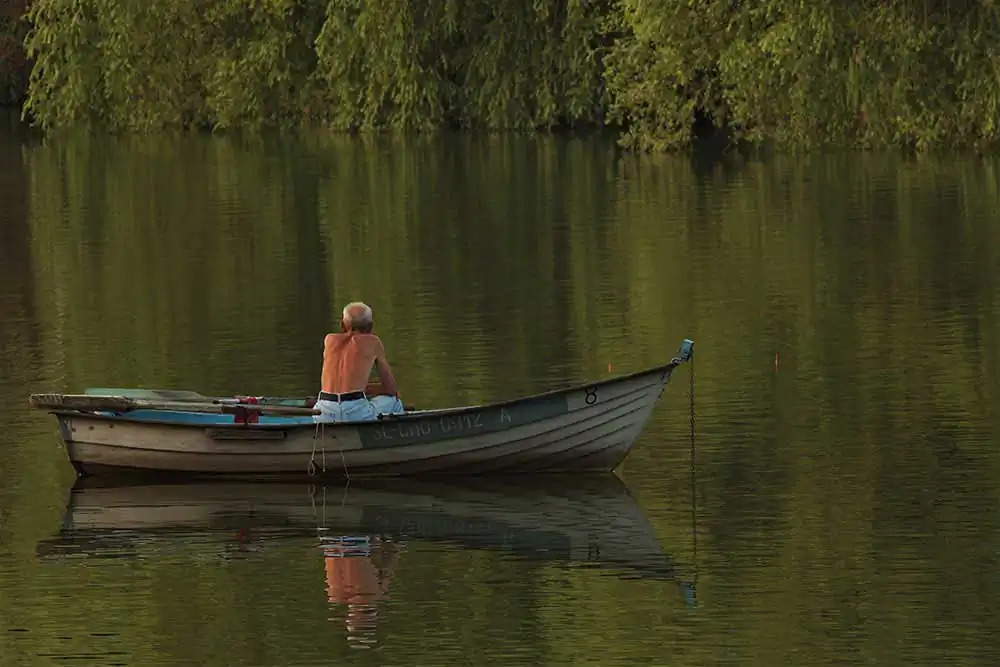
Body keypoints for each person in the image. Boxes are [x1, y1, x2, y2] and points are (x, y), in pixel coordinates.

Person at [314, 301, 404, 423]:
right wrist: (364, 389)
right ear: (371, 326)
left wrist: (360, 389)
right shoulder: (373, 342)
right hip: (355, 411)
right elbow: (391, 389)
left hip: (324, 410)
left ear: (342, 325)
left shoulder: (329, 340)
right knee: (394, 401)